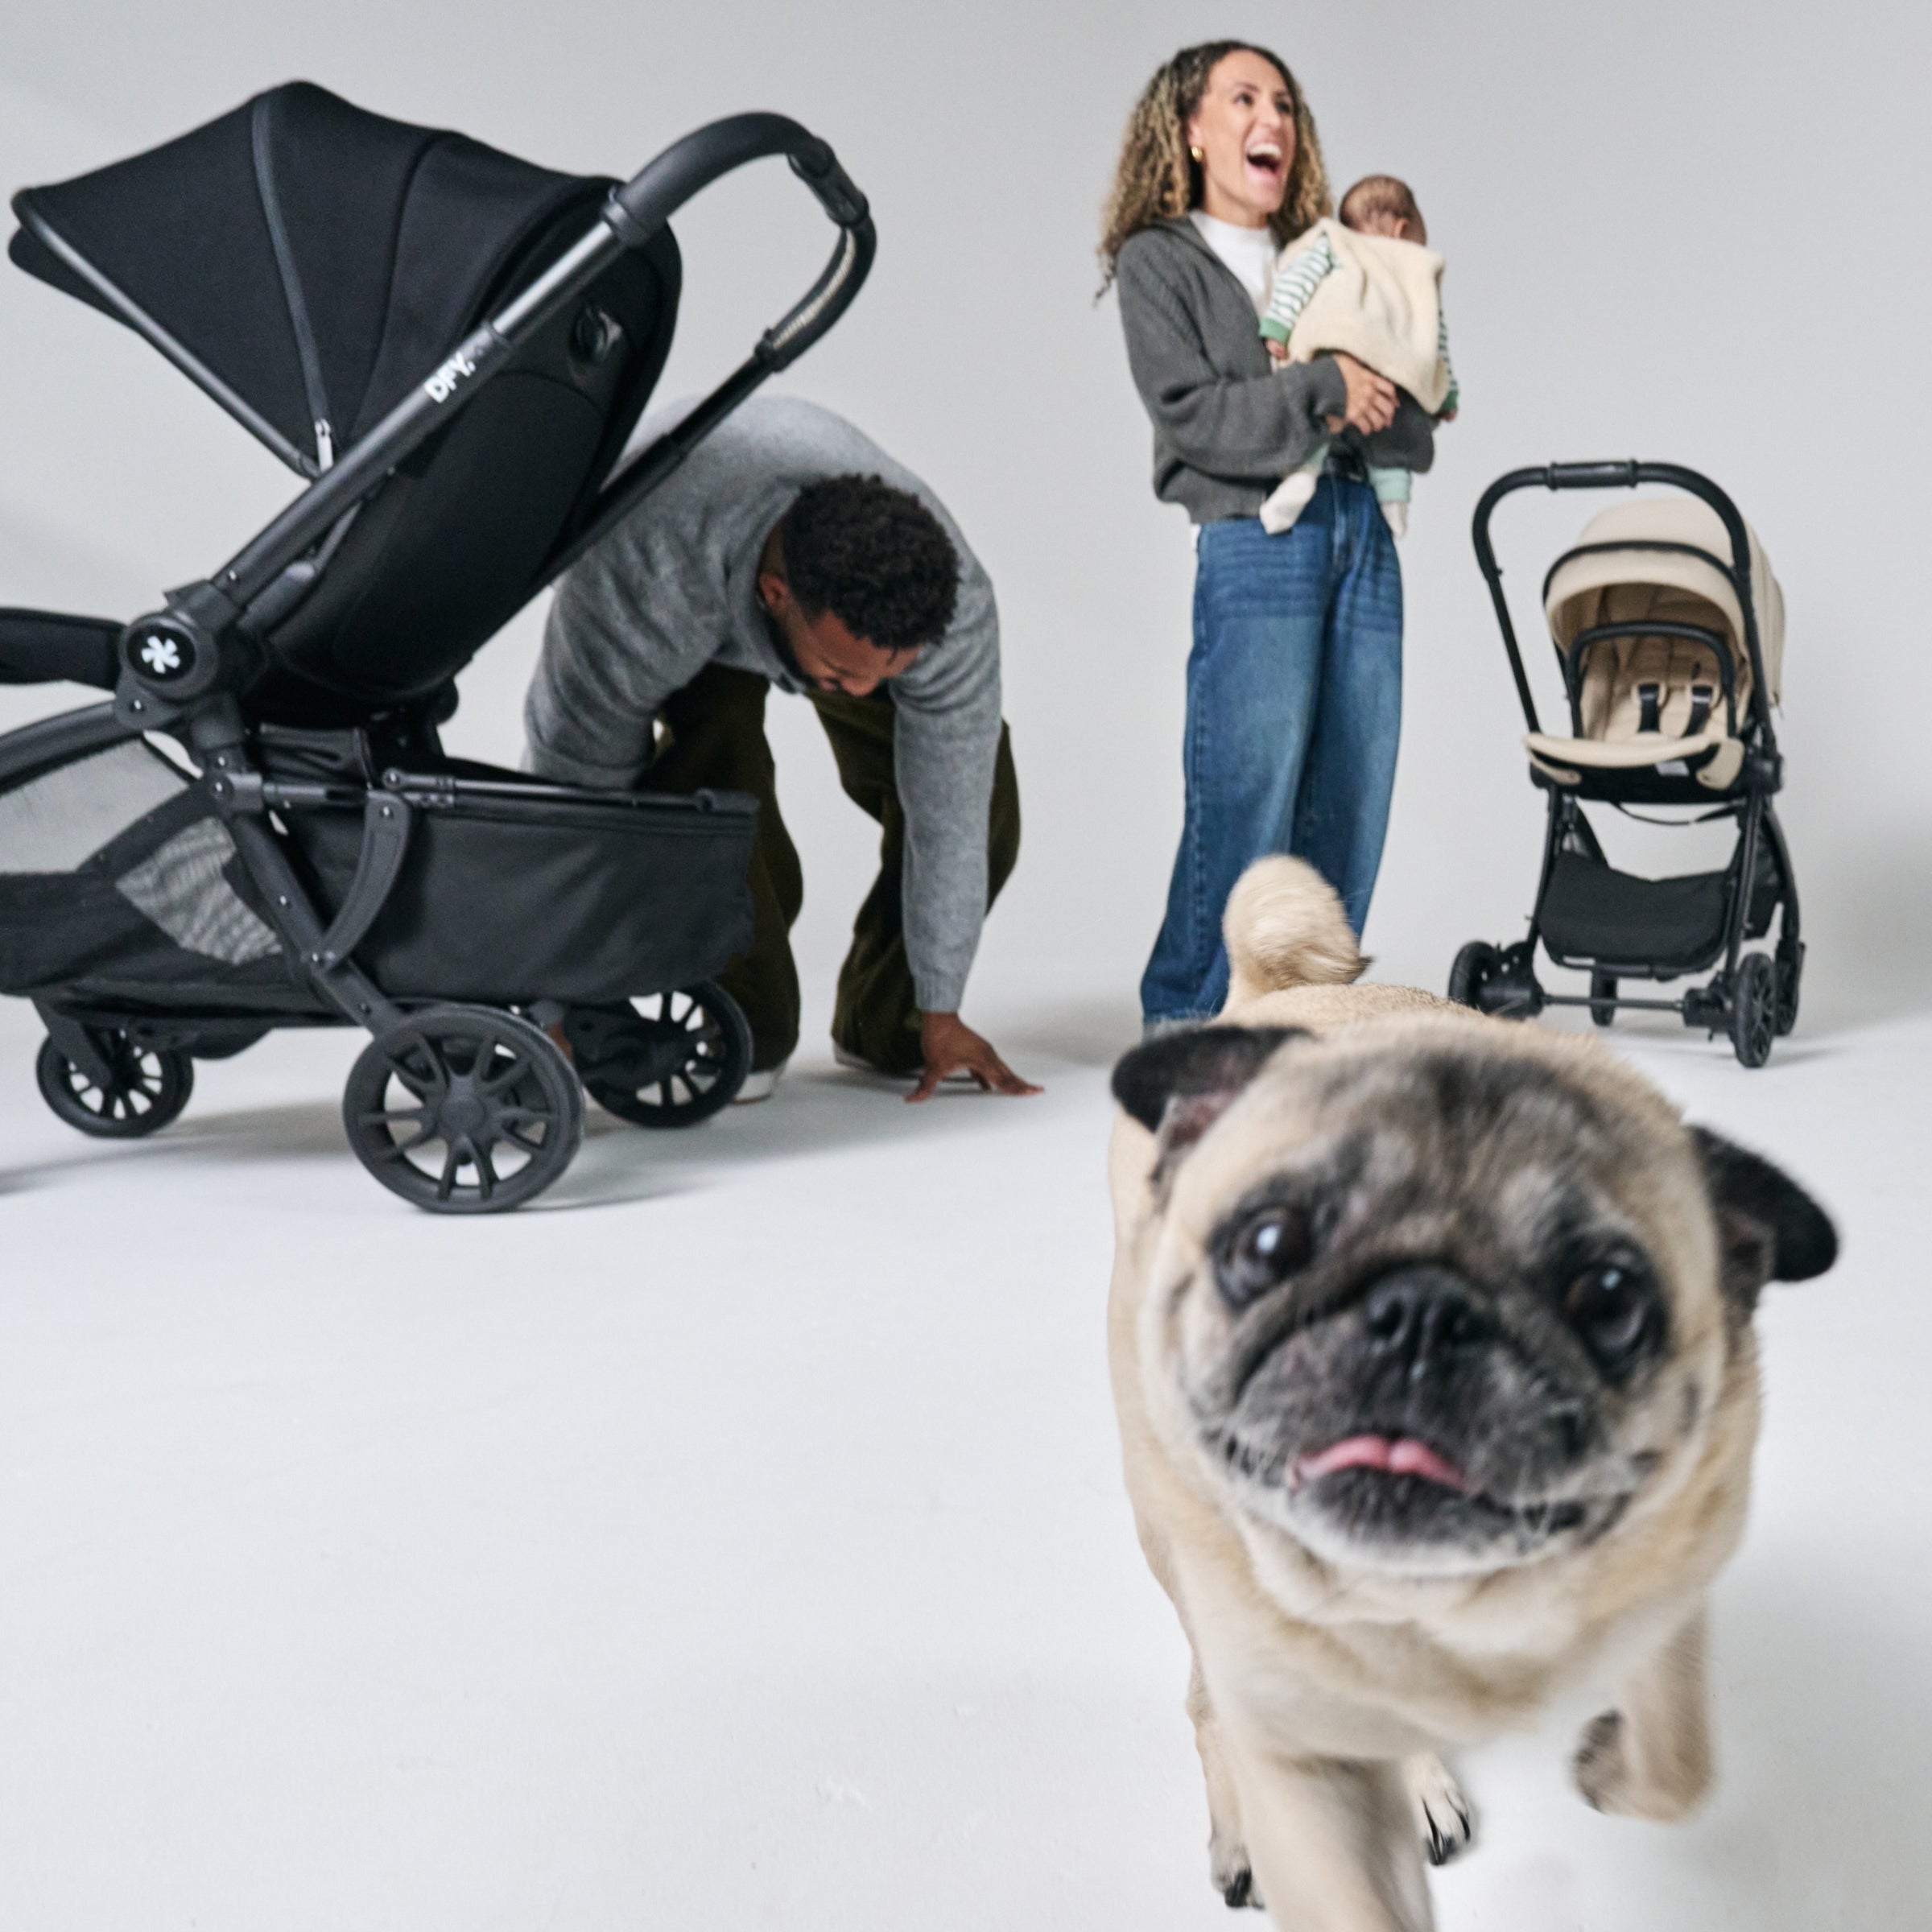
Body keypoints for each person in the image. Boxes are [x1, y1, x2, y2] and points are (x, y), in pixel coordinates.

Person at [525, 393, 1038, 1104]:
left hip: (768, 565)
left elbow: (950, 815)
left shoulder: (952, 607)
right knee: (715, 756)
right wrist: (552, 1008)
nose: (857, 694)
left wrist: (941, 1005)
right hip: (680, 558)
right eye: (840, 674)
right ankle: (743, 1013)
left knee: (977, 784)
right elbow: (573, 796)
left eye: (884, 673)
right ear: (775, 595)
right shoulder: (642, 585)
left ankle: (891, 1020)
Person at [1100, 39, 1435, 1033]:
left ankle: (1309, 1016)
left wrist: (1386, 390)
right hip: (1255, 537)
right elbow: (1193, 415)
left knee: (1353, 784)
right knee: (1248, 783)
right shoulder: (1160, 261)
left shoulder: (1337, 250)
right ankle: (1192, 1017)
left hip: (1362, 529)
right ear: (1191, 129)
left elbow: (1412, 409)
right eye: (1244, 99)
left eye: (1285, 104)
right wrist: (1328, 386)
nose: (1274, 123)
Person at [1257, 173, 1459, 539]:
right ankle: (1395, 499)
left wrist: (1279, 325)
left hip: (1337, 352)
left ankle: (1299, 479)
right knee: (1393, 431)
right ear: (1401, 230)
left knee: (1319, 417)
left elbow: (1298, 280)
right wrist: (1446, 392)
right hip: (1387, 371)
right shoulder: (1416, 268)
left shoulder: (1333, 243)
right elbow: (1434, 337)